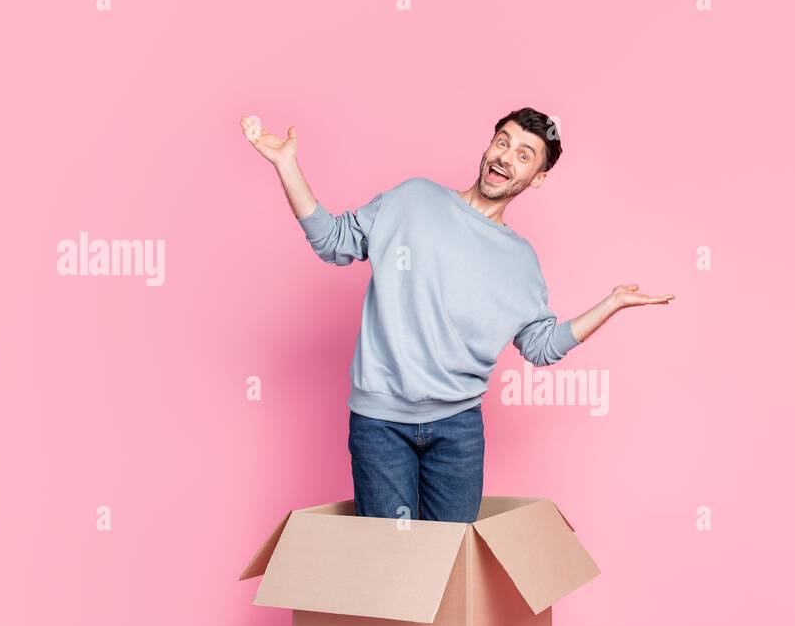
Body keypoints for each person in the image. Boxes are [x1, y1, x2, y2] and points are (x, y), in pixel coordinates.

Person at [241, 106, 673, 522]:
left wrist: (611, 304)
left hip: (458, 430)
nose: (506, 156)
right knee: (391, 567)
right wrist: (286, 164)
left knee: (449, 567)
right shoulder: (412, 200)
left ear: (537, 178)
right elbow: (334, 241)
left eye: (524, 154)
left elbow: (540, 348)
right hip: (380, 423)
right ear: (489, 148)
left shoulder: (520, 262)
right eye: (503, 142)